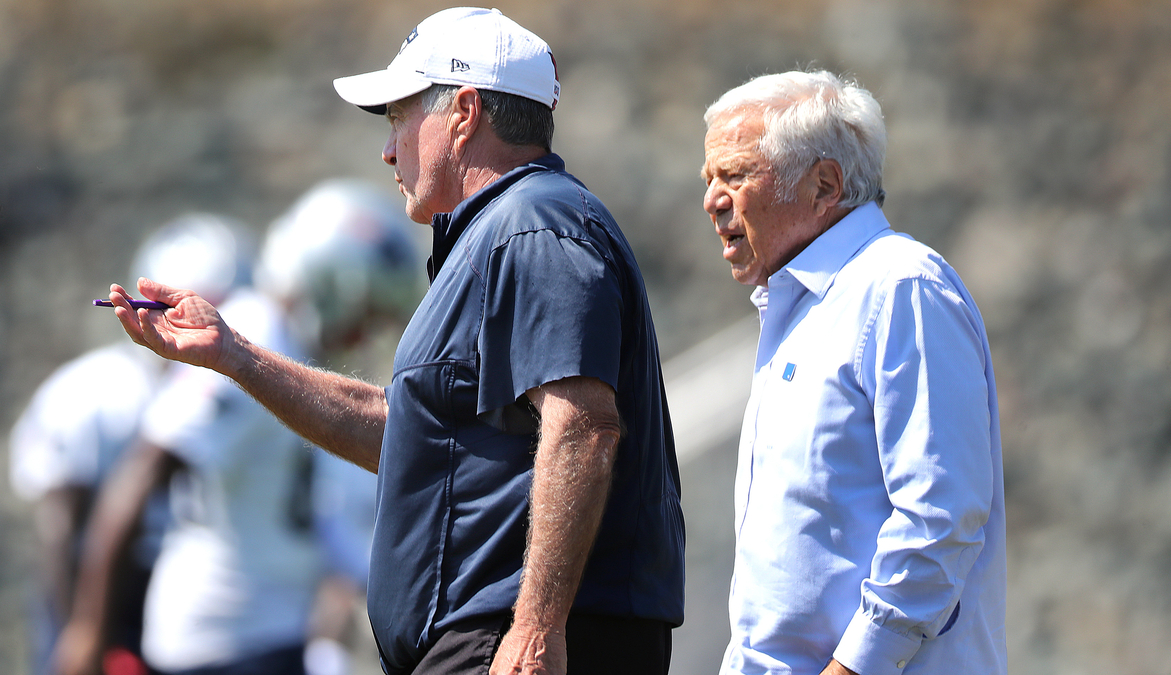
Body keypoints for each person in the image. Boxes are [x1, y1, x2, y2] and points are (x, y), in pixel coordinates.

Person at [101, 7, 685, 675]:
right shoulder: (503, 233)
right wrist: (234, 354)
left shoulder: (533, 223)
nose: (387, 148)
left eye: (400, 117)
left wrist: (534, 632)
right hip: (490, 638)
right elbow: (406, 435)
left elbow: (583, 426)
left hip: (516, 643)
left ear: (465, 113)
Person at [700, 70, 1006, 674]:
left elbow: (940, 517)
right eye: (708, 180)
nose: (712, 199)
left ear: (824, 184)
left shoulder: (900, 287)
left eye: (735, 175)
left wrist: (856, 665)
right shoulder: (801, 308)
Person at [55, 180, 425, 675]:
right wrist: (88, 630)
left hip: (272, 634)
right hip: (225, 639)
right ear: (333, 283)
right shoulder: (256, 332)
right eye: (364, 315)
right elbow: (146, 467)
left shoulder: (288, 350)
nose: (361, 336)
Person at [9, 214, 254, 675]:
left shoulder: (225, 400)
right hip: (97, 594)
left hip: (173, 595)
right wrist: (79, 631)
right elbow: (60, 526)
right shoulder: (96, 394)